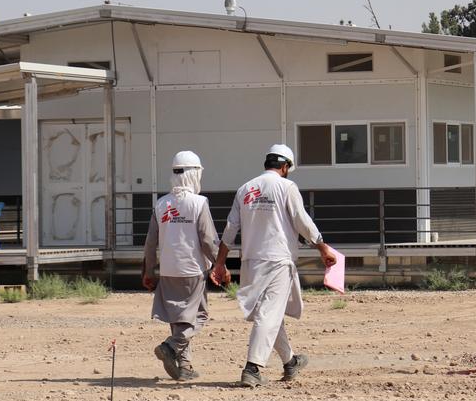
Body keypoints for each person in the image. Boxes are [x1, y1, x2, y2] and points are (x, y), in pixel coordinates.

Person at [211, 144, 337, 388]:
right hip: (278, 258)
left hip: (251, 260)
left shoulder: (245, 189)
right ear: (285, 166)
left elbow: (230, 228)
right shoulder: (287, 186)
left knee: (268, 313)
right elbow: (302, 221)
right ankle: (252, 368)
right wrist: (322, 247)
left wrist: (220, 262)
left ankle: (290, 362)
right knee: (269, 313)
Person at [142, 151, 220, 381]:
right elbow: (207, 240)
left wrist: (149, 271)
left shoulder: (161, 204)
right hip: (193, 270)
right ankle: (170, 346)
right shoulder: (199, 203)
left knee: (179, 318)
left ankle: (184, 365)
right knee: (199, 316)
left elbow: (150, 242)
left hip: (168, 270)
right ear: (195, 174)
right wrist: (219, 264)